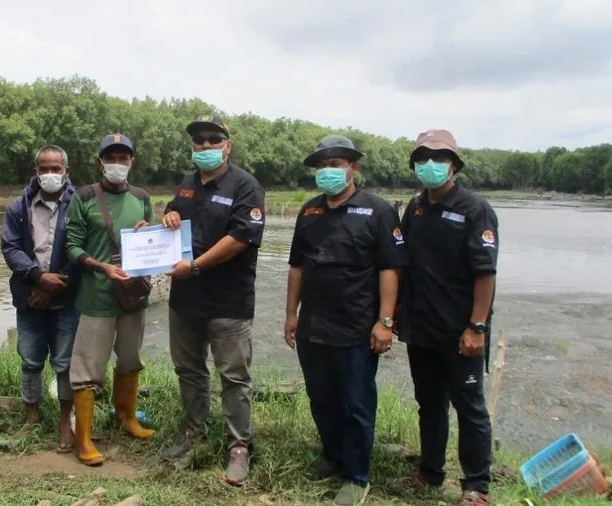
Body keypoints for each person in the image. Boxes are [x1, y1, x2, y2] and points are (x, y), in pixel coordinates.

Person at [283, 135, 408, 505]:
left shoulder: (378, 211)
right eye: (322, 166)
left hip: (356, 328)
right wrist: (291, 313)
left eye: (335, 164)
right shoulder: (309, 212)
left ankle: (356, 476)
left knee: (356, 404)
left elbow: (390, 269)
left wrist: (385, 321)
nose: (328, 171)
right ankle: (333, 457)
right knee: (321, 398)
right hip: (313, 326)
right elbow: (296, 267)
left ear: (353, 167)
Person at [392, 129, 498, 506]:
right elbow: (403, 261)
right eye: (422, 158)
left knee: (470, 408)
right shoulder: (415, 206)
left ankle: (476, 486)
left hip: (461, 331)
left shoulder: (475, 209)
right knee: (430, 404)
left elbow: (485, 272)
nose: (430, 164)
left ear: (453, 165)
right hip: (422, 328)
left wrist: (477, 326)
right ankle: (430, 471)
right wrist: (395, 313)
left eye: (439, 158)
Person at [160, 115, 266, 486]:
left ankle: (238, 446)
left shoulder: (246, 186)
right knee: (188, 368)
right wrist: (168, 216)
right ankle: (194, 431)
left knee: (234, 376)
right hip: (185, 299)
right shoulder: (187, 183)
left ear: (227, 145)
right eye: (198, 141)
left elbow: (240, 238)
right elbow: (172, 217)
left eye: (213, 140)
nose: (205, 146)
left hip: (228, 302)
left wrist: (197, 266)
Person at [64, 133, 155, 466]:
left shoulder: (142, 198)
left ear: (132, 162)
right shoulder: (85, 197)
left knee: (130, 359)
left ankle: (126, 418)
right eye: (111, 158)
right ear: (100, 161)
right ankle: (84, 439)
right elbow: (71, 246)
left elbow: (151, 243)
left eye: (123, 158)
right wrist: (101, 266)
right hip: (97, 297)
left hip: (132, 298)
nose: (117, 163)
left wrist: (147, 233)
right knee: (87, 367)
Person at [1, 144, 80, 452]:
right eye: (44, 168)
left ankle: (64, 421)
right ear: (36, 171)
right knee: (30, 359)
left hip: (67, 297)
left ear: (66, 172)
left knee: (64, 362)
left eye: (55, 168)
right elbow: (10, 248)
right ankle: (31, 416)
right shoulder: (18, 207)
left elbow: (83, 247)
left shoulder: (80, 204)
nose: (50, 174)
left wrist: (55, 284)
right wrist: (37, 277)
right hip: (29, 296)